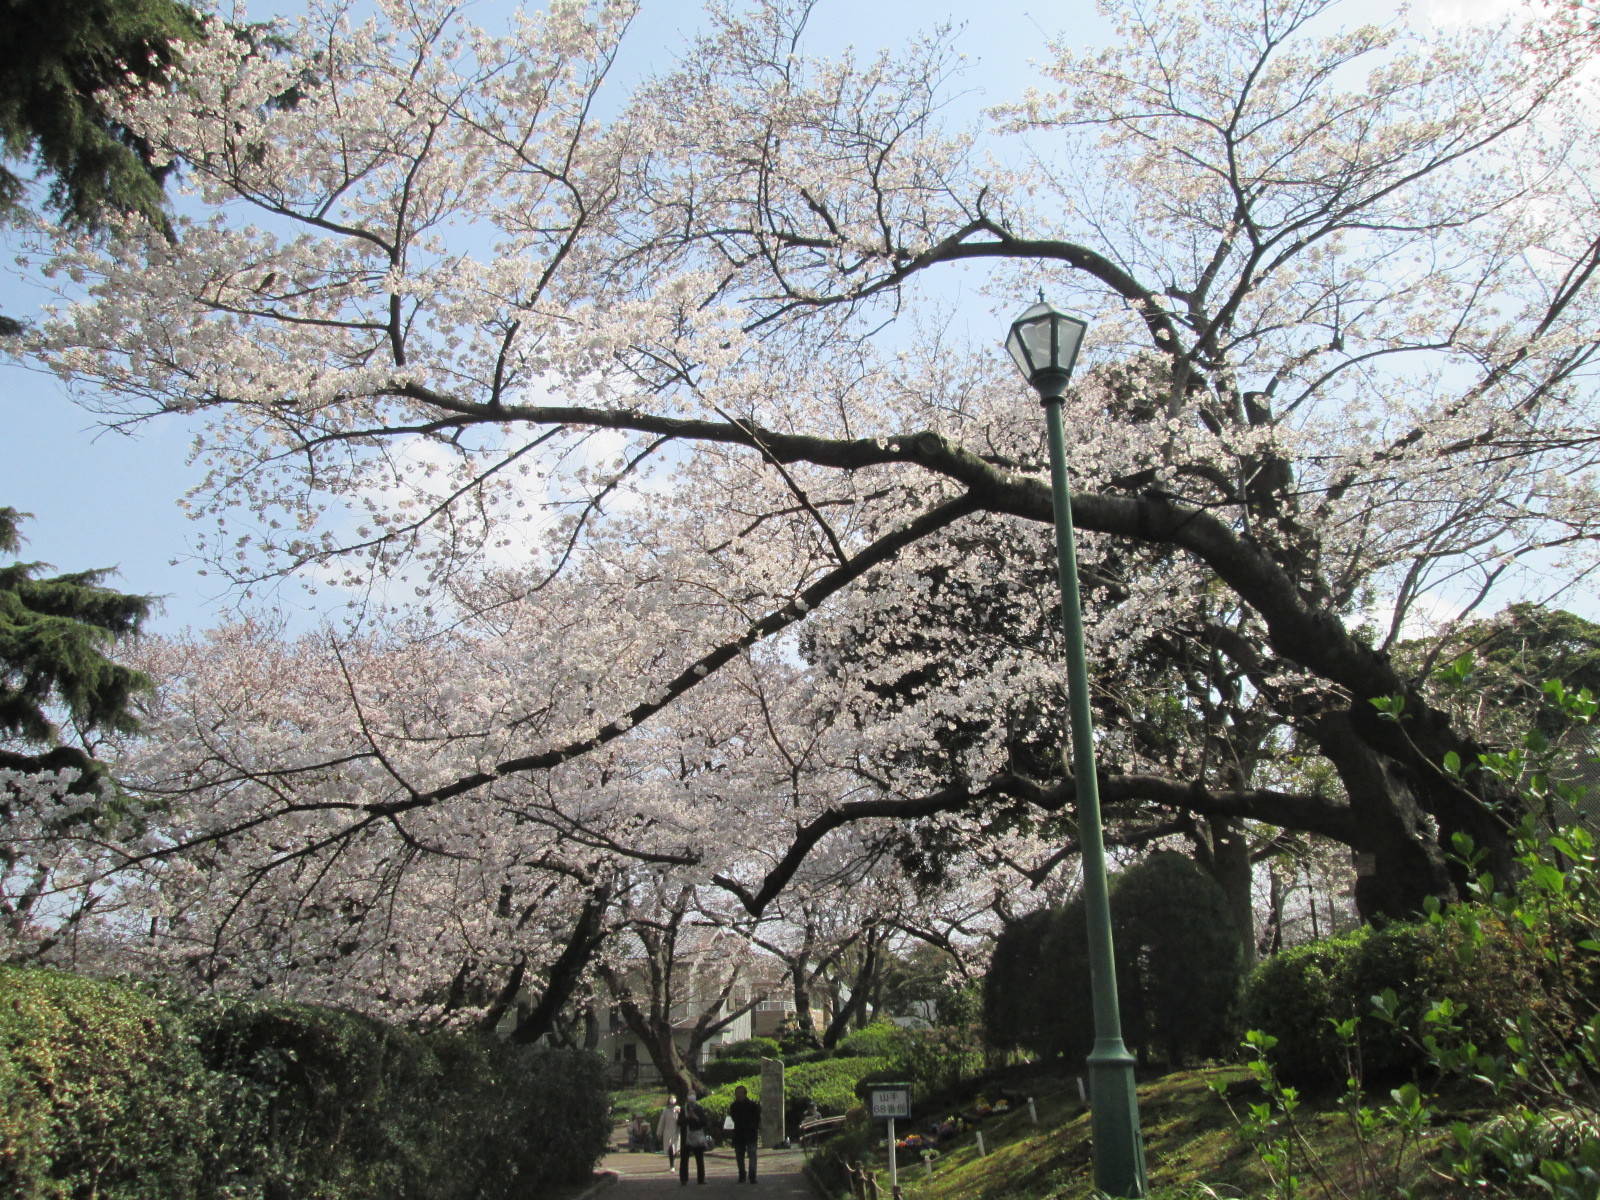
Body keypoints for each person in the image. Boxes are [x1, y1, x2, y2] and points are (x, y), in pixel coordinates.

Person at [728, 1084, 762, 1184]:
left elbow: (757, 1119)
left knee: (752, 1154)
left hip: (750, 1133)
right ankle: (742, 1175)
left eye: (740, 1093)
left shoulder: (753, 1105)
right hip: (739, 1134)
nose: (738, 1095)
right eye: (736, 1094)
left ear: (745, 1094)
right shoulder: (734, 1106)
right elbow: (733, 1118)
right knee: (739, 1156)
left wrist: (753, 1127)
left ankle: (752, 1175)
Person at [679, 1090, 709, 1186]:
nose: (691, 1097)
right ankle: (684, 1179)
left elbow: (704, 1122)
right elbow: (679, 1122)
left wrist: (696, 1117)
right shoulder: (683, 1109)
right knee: (684, 1159)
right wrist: (688, 1118)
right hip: (686, 1136)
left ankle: (701, 1178)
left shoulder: (699, 1108)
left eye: (693, 1095)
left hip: (697, 1136)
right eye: (690, 1095)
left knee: (699, 1158)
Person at [657, 1093, 682, 1171]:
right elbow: (662, 1122)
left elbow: (682, 1120)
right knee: (670, 1148)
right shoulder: (665, 1111)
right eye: (671, 1098)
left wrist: (679, 1113)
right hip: (668, 1132)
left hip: (677, 1132)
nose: (672, 1100)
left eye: (674, 1098)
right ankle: (672, 1165)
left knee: (676, 1149)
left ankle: (673, 1162)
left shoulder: (679, 1109)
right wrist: (659, 1132)